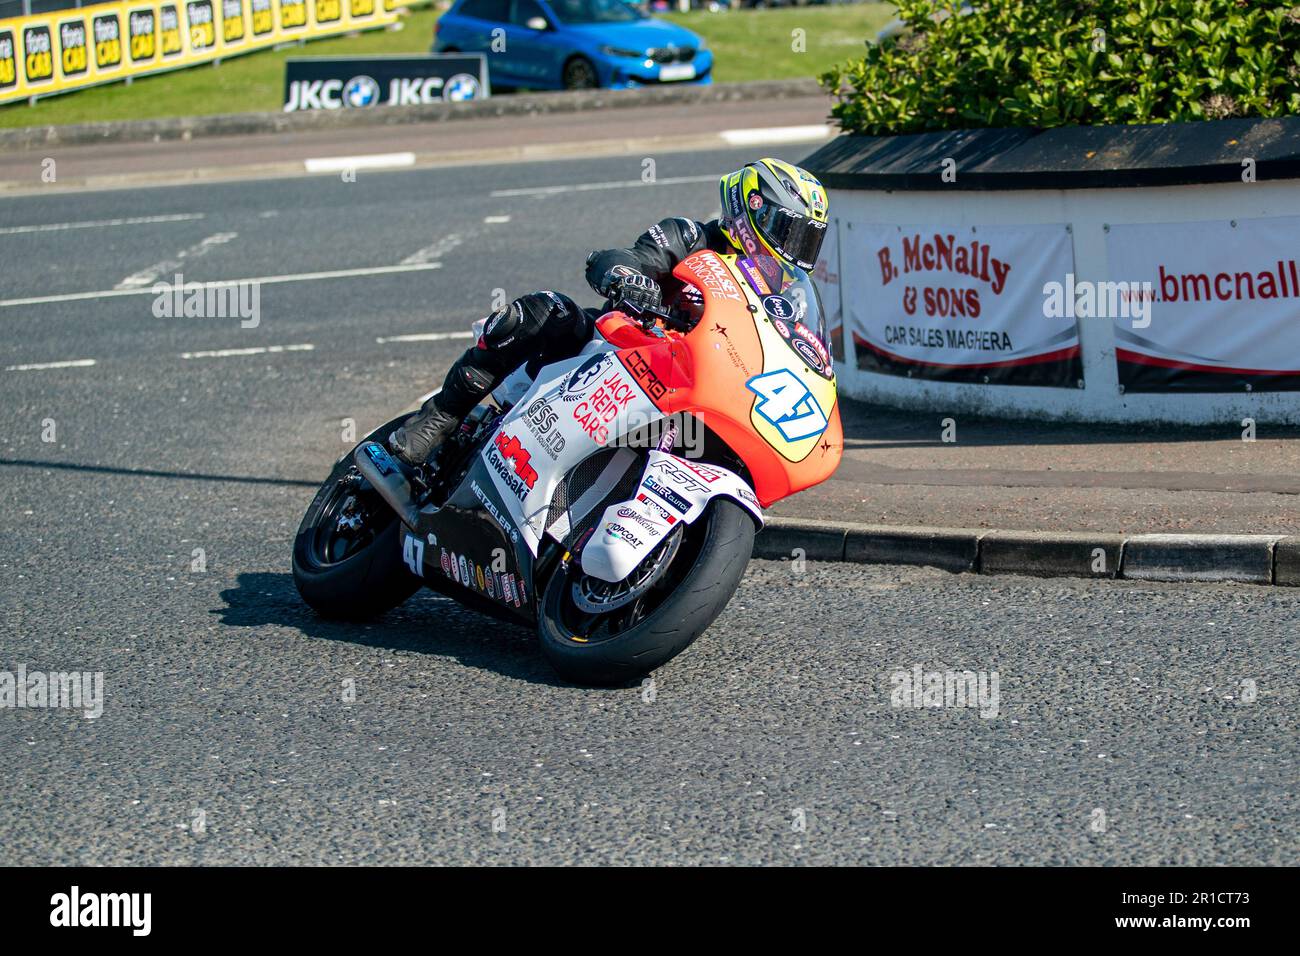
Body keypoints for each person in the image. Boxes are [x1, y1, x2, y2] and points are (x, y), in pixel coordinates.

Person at [387, 157, 830, 465]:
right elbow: (623, 258)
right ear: (751, 207)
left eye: (805, 239)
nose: (793, 248)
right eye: (788, 232)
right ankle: (442, 415)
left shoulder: (785, 292)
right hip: (620, 355)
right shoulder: (689, 236)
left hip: (694, 390)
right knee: (548, 311)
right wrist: (628, 279)